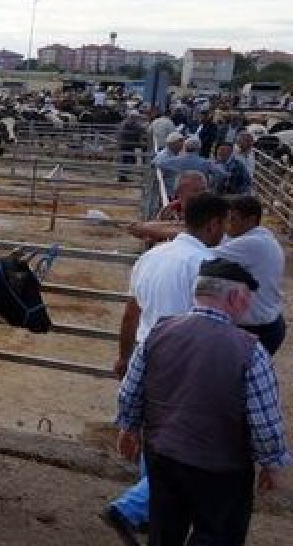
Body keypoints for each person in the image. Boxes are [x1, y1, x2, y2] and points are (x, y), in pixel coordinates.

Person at [115, 257, 289, 545]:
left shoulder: (159, 332)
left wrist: (129, 427)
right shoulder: (250, 350)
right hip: (221, 468)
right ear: (234, 297)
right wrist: (271, 462)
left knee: (163, 532)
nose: (247, 308)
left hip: (163, 456)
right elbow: (265, 421)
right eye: (246, 300)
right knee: (217, 536)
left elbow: (130, 390)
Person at [105, 193, 230, 542]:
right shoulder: (210, 263)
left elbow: (132, 311)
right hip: (184, 364)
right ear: (213, 224)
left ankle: (151, 513)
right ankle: (132, 507)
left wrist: (125, 355)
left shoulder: (153, 256)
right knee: (181, 447)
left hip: (146, 355)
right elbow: (211, 322)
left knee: (154, 441)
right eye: (223, 225)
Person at [217, 196, 286, 355]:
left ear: (251, 220)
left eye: (233, 219)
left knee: (237, 375)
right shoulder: (258, 239)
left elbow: (202, 255)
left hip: (258, 330)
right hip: (266, 325)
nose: (228, 224)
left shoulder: (253, 243)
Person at [118, 110, 144, 182]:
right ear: (132, 116)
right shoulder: (129, 122)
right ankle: (122, 177)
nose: (137, 118)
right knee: (126, 160)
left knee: (127, 160)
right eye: (136, 117)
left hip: (127, 144)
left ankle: (123, 176)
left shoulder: (126, 122)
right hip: (127, 144)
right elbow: (140, 129)